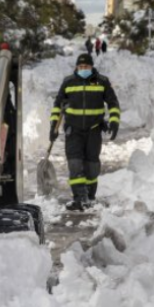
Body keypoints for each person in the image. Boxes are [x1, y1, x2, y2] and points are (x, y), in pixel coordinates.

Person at [49, 53, 120, 211]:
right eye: (80, 67)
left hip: (94, 130)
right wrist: (53, 126)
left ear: (91, 67)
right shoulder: (68, 82)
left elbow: (113, 103)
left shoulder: (101, 81)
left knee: (92, 167)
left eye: (86, 67)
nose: (83, 69)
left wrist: (114, 122)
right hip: (73, 131)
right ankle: (79, 199)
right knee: (74, 164)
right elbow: (57, 105)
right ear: (76, 67)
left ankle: (90, 197)